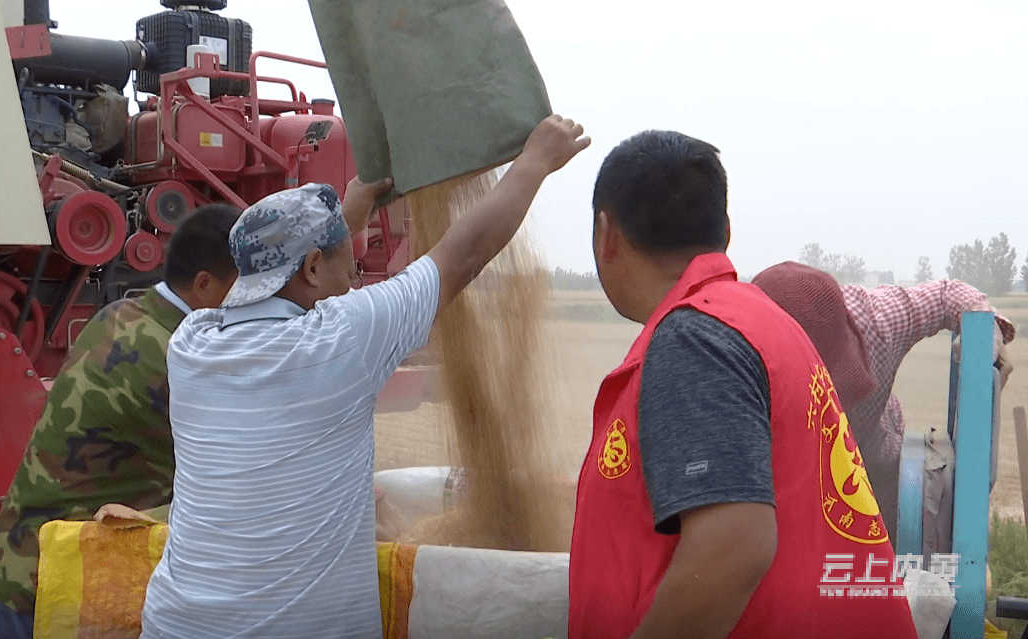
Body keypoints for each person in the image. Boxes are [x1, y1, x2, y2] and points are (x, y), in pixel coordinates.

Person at [138, 114, 589, 639]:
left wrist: (346, 214)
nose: (354, 284)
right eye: (348, 271)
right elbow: (463, 254)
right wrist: (534, 161)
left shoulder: (192, 342)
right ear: (310, 269)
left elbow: (277, 275)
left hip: (176, 623)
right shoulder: (341, 339)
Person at [568, 130, 918, 639]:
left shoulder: (694, 338)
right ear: (725, 231)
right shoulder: (762, 323)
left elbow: (731, 550)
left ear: (607, 233)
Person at [0, 202, 242, 639]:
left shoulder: (121, 316)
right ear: (204, 284)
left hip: (18, 566)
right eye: (250, 288)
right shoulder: (179, 361)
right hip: (60, 589)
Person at [751, 261, 1015, 543]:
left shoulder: (877, 320)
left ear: (851, 331)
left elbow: (945, 294)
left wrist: (985, 334)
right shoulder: (729, 353)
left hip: (875, 472)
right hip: (775, 489)